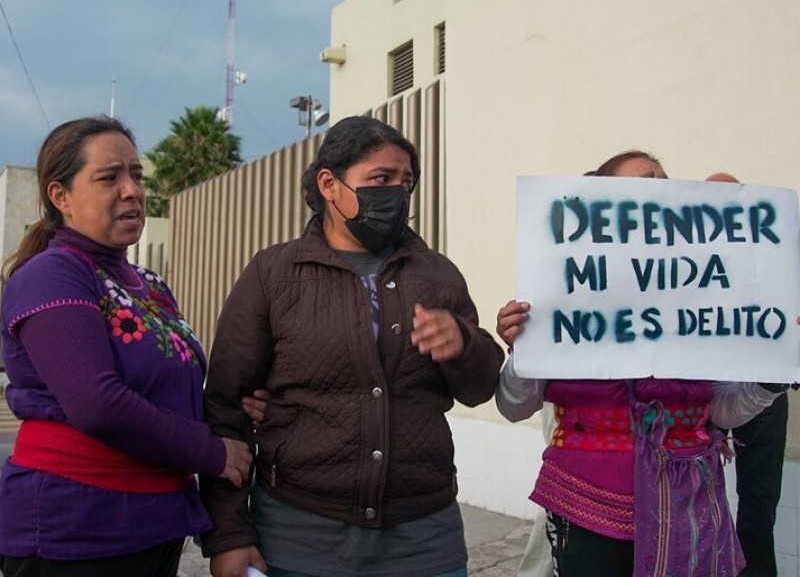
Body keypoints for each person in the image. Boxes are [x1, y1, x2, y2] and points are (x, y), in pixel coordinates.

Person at [200, 116, 504, 577]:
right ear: (329, 183)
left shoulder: (437, 274)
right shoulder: (273, 273)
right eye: (380, 179)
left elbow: (481, 388)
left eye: (406, 181)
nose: (397, 193)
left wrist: (462, 344)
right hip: (300, 537)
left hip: (424, 540)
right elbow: (226, 407)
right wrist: (228, 535)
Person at [497, 151, 788, 576]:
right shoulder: (561, 296)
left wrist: (770, 377)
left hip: (688, 505)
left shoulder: (699, 303)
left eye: (663, 179)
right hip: (588, 507)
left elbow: (720, 412)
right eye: (641, 181)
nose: (657, 187)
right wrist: (522, 349)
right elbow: (513, 407)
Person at [0, 116, 252, 577]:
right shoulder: (52, 274)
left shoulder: (148, 285)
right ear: (61, 197)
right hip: (77, 528)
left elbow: (172, 389)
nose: (132, 190)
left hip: (154, 524)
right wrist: (212, 452)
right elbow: (97, 404)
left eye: (136, 175)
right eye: (108, 177)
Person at [706, 172, 793, 577]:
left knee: (759, 504)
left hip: (764, 389)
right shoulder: (681, 258)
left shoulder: (773, 255)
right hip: (701, 391)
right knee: (701, 497)